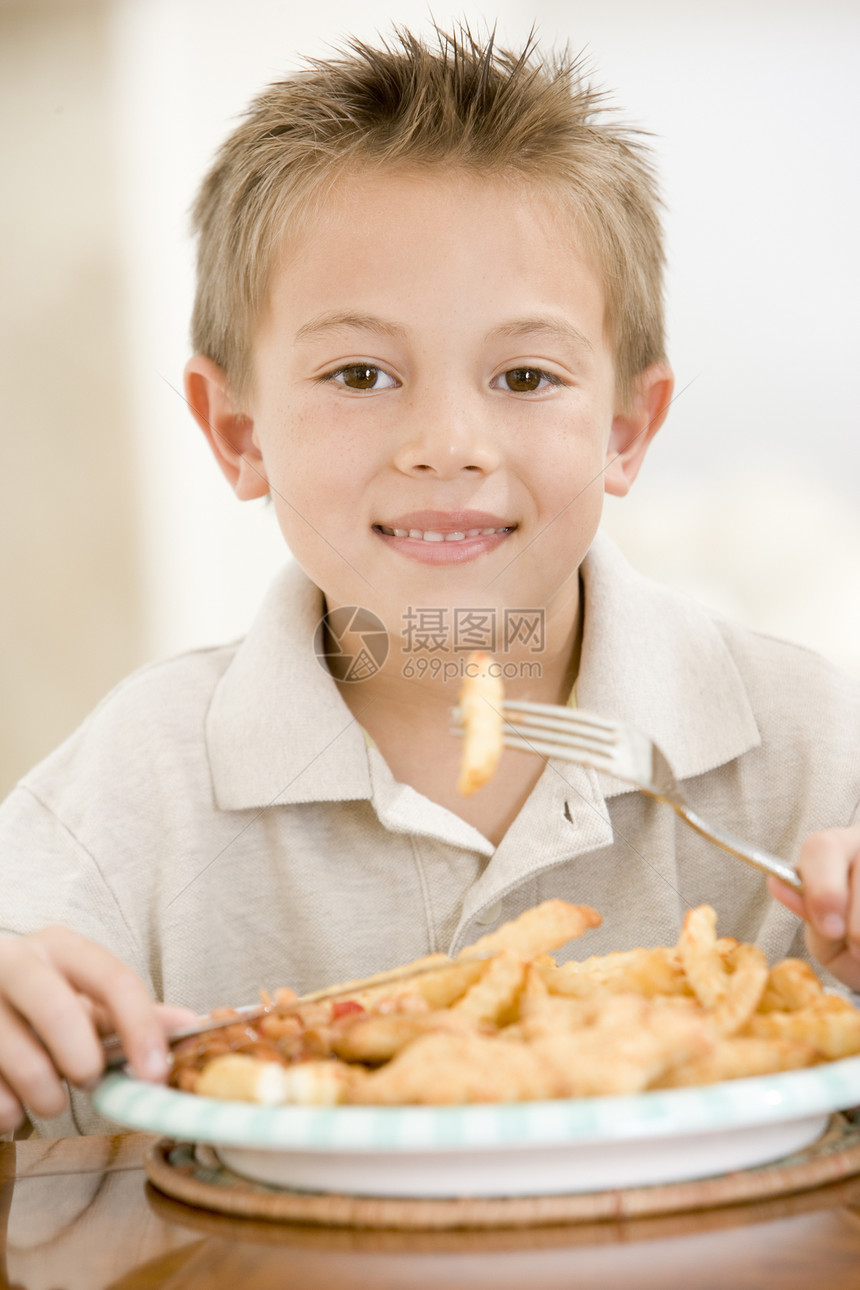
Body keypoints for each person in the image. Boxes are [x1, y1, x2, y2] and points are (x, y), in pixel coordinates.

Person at [1, 26, 859, 1138]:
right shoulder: (126, 796)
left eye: (522, 375)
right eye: (360, 373)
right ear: (236, 432)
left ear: (624, 431)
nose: (446, 443)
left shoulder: (809, 754)